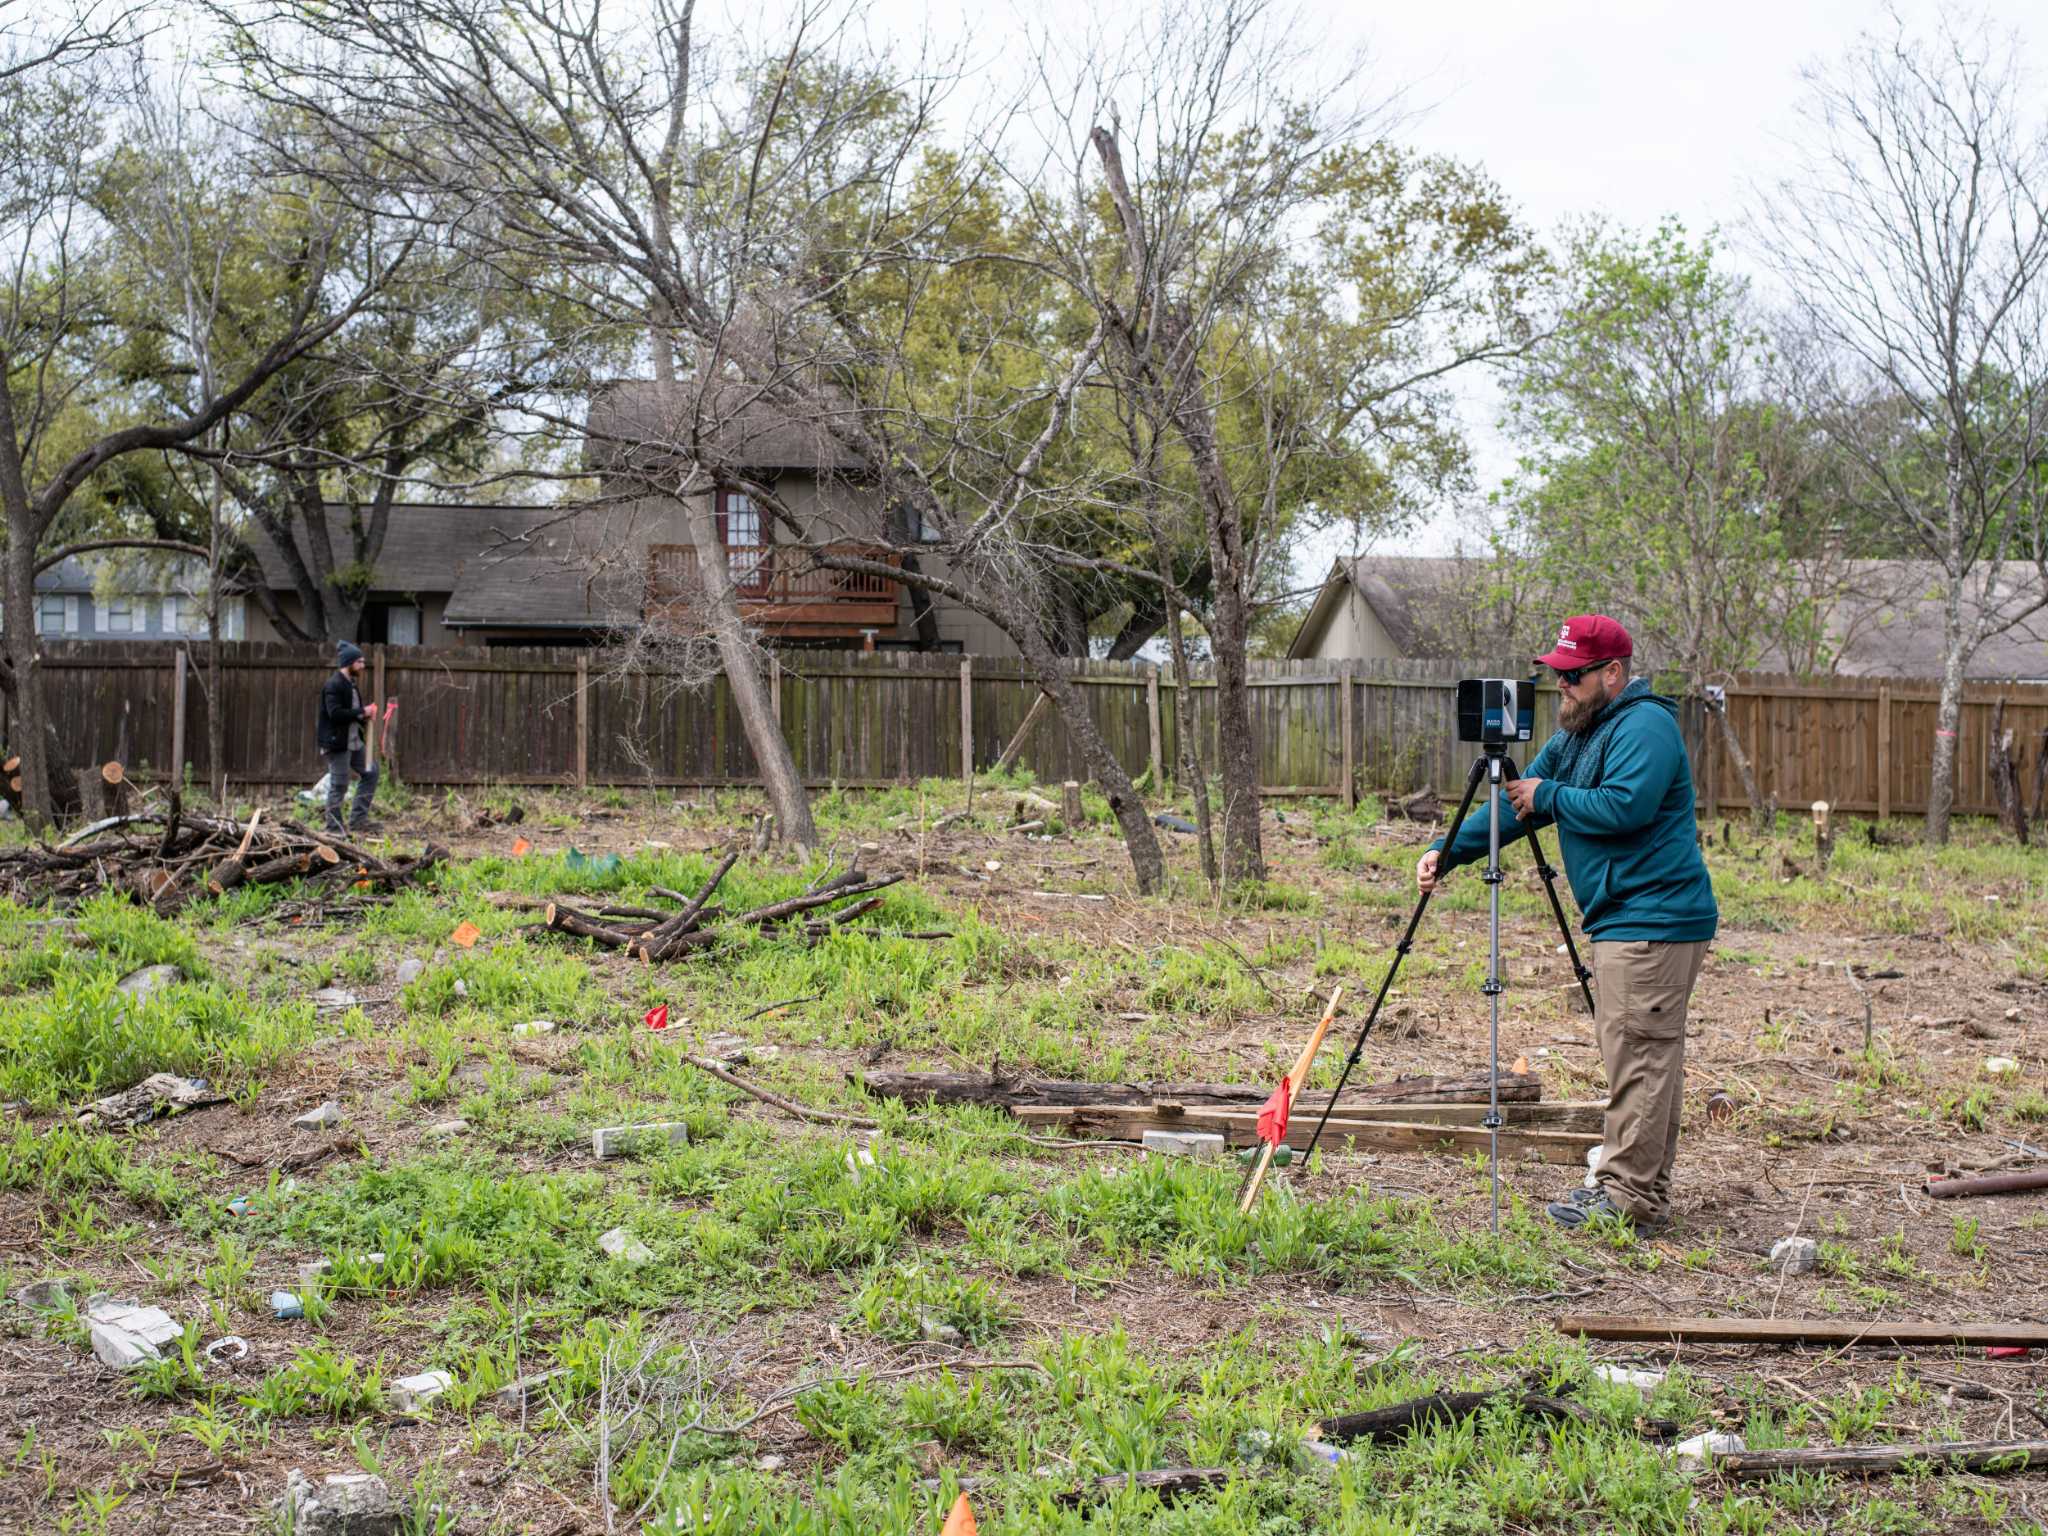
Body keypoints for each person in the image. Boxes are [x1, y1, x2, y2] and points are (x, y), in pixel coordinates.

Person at [1414, 615, 1717, 1236]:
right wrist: (1451, 850)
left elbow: (1624, 807)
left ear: (1612, 673)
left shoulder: (1645, 726)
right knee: (1641, 1057)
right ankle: (1640, 1190)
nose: (1562, 689)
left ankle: (1627, 1197)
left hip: (1653, 919)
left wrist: (1549, 795)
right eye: (1556, 676)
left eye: (1572, 677)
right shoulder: (1581, 732)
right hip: (1628, 918)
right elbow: (1516, 802)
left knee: (1640, 1056)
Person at [317, 641, 381, 834]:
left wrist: (365, 715)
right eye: (359, 662)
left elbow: (352, 713)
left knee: (372, 773)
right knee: (339, 785)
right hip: (338, 744)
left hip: (353, 742)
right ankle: (333, 829)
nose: (363, 665)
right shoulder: (334, 685)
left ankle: (358, 821)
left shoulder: (351, 685)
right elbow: (335, 714)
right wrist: (362, 710)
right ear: (349, 662)